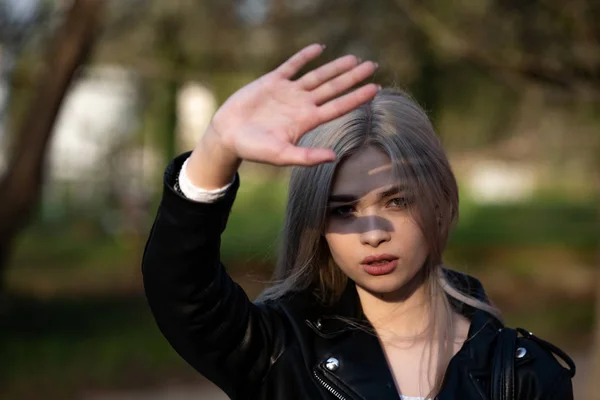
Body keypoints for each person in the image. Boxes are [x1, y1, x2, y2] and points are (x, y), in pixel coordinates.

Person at [142, 44, 575, 399]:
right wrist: (217, 147)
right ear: (316, 224)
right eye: (343, 210)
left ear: (440, 200)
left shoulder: (525, 376)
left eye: (397, 201)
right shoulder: (280, 352)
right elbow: (181, 289)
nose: (373, 234)